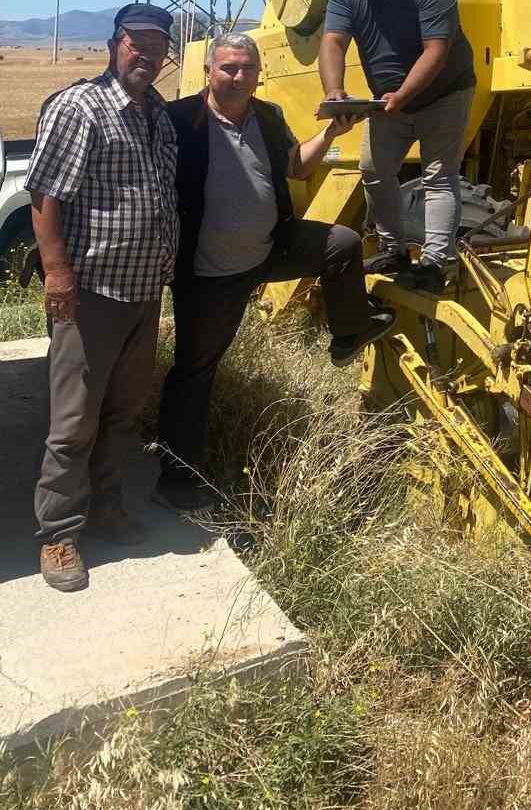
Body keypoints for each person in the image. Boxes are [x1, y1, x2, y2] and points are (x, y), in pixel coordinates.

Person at [155, 32, 393, 514]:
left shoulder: (267, 116)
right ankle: (176, 478)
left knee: (341, 244)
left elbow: (296, 168)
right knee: (194, 372)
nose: (237, 76)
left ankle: (348, 334)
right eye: (228, 68)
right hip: (209, 273)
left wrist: (330, 135)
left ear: (258, 73)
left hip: (268, 249)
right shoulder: (179, 119)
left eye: (246, 68)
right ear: (209, 71)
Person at [27, 3, 180, 594]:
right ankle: (59, 533)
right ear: (115, 44)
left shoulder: (158, 115)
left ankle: (107, 508)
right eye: (135, 42)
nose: (146, 53)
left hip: (143, 293)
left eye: (156, 44)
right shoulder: (81, 107)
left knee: (123, 413)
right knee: (73, 422)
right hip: (91, 292)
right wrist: (57, 272)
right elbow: (45, 197)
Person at [319, 0, 475, 294]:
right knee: (374, 169)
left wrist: (403, 96)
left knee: (439, 176)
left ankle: (437, 262)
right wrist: (334, 91)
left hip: (444, 93)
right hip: (387, 102)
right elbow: (332, 42)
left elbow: (436, 51)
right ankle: (393, 249)